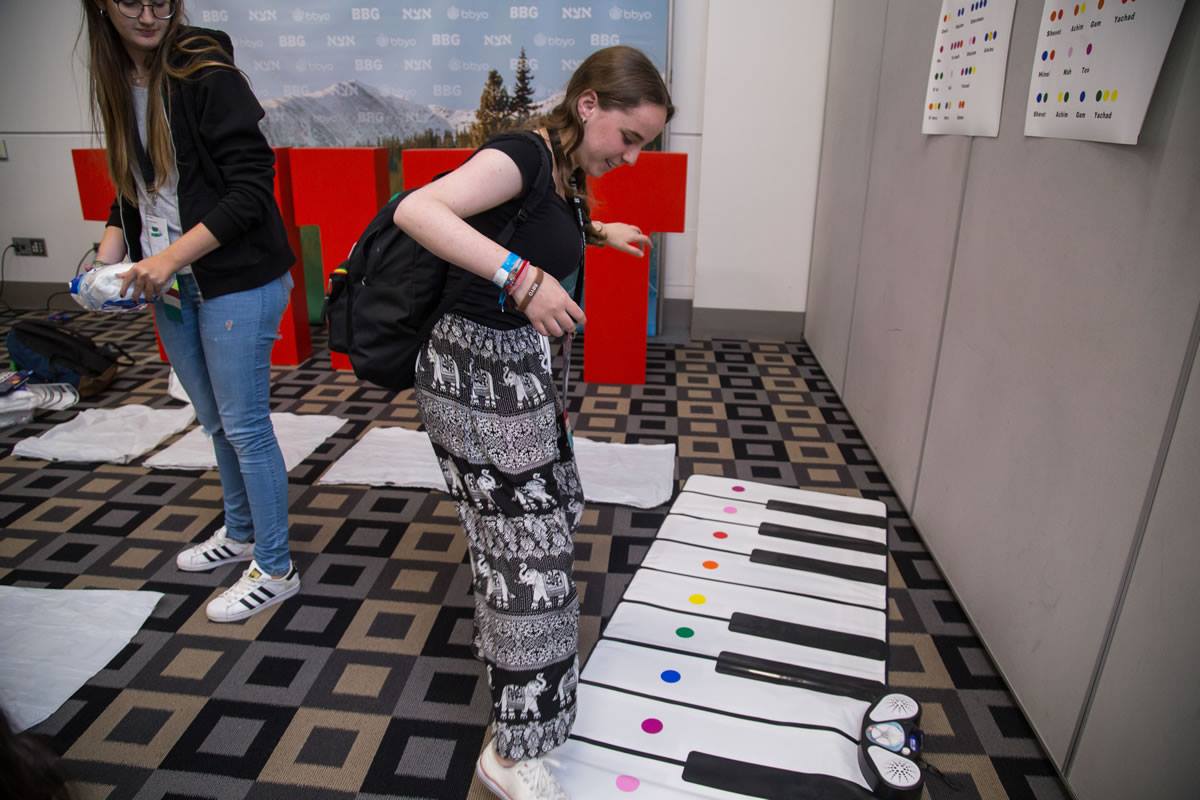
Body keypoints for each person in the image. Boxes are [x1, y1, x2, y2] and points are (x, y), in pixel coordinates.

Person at [393, 45, 673, 800]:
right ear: (590, 105)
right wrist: (521, 278)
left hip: (511, 373)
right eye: (631, 137)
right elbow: (416, 210)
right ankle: (513, 753)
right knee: (531, 553)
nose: (634, 156)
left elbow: (539, 222)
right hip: (475, 373)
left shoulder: (561, 163)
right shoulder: (521, 152)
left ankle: (515, 678)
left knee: (527, 533)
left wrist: (596, 232)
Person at [80, 0, 299, 622]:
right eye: (132, 2)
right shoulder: (120, 80)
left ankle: (276, 566)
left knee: (247, 426)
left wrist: (168, 258)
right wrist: (103, 264)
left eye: (162, 2)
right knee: (215, 423)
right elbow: (135, 188)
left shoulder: (204, 70)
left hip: (234, 280)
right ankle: (240, 532)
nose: (149, 16)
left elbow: (252, 190)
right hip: (174, 282)